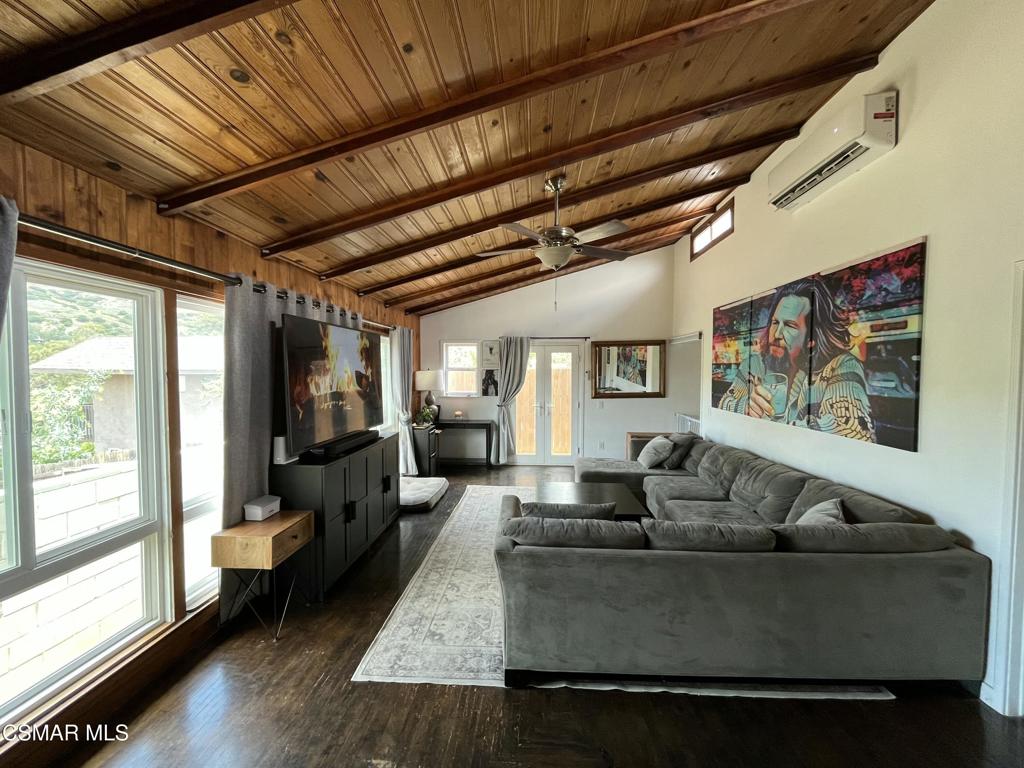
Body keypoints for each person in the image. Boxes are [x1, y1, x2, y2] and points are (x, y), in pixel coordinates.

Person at [718, 277, 876, 442]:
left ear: (811, 338)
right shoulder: (755, 364)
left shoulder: (840, 366)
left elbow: (853, 429)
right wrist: (746, 407)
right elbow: (724, 404)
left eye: (790, 326)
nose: (777, 334)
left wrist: (779, 430)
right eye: (774, 323)